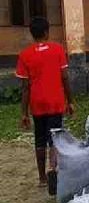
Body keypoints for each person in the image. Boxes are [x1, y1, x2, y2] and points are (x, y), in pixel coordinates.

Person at [16, 16, 74, 188]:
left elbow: (25, 87)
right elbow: (65, 78)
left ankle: (42, 178)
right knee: (54, 139)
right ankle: (54, 170)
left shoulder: (25, 55)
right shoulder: (58, 50)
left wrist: (24, 113)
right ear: (47, 32)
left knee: (39, 139)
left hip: (37, 104)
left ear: (32, 34)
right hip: (55, 102)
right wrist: (70, 101)